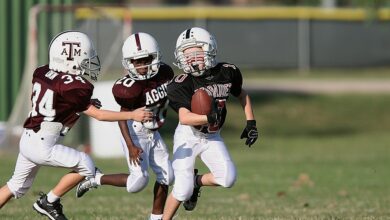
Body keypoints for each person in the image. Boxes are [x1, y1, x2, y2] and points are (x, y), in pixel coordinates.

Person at [0, 31, 152, 220]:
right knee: (86, 165)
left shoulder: (42, 71)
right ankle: (49, 201)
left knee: (15, 185)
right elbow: (99, 115)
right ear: (71, 59)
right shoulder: (74, 86)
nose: (88, 64)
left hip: (29, 138)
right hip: (43, 144)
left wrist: (78, 105)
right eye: (85, 60)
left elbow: (57, 101)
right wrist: (132, 114)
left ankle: (48, 202)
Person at [75, 32, 174, 220]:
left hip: (154, 131)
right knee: (138, 182)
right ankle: (96, 179)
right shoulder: (129, 87)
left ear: (155, 56)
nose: (142, 66)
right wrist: (130, 146)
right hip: (134, 132)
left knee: (167, 177)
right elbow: (122, 117)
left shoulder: (164, 73)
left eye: (146, 59)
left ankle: (156, 218)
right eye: (137, 61)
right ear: (129, 63)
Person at [162, 27, 259, 219]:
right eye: (186, 54)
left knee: (228, 178)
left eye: (196, 53)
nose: (191, 59)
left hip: (212, 135)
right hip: (188, 136)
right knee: (181, 189)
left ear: (209, 50)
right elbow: (184, 118)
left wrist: (251, 123)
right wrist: (208, 118)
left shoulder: (227, 72)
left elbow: (242, 94)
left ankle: (196, 182)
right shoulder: (181, 83)